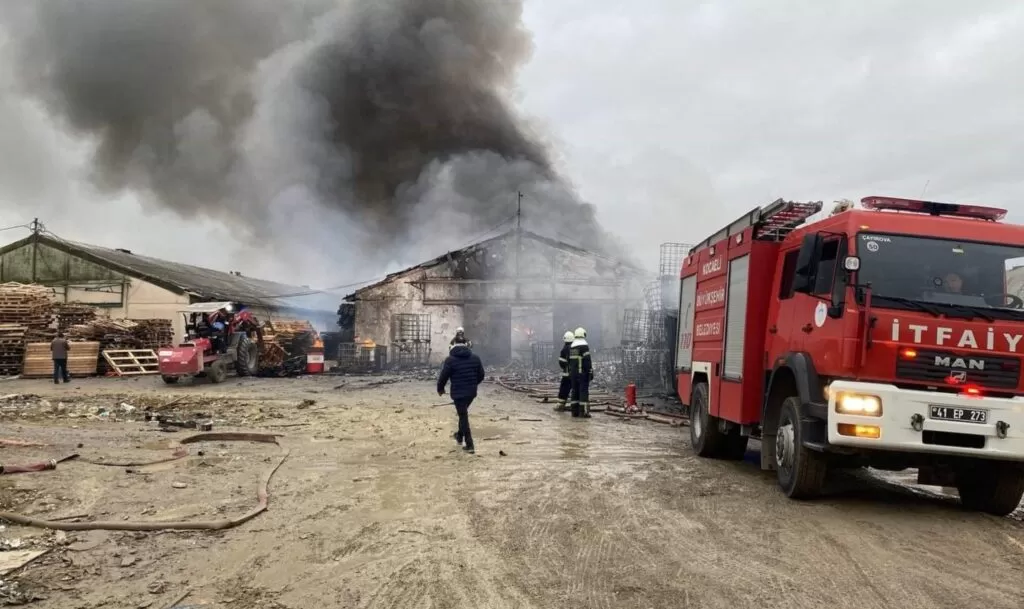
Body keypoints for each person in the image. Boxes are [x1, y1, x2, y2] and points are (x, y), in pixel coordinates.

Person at [437, 338, 485, 453]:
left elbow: (444, 376)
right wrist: (473, 384)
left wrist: (440, 389)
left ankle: (470, 445)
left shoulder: (450, 360)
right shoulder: (475, 358)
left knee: (463, 415)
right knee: (463, 413)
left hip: (458, 393)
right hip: (471, 393)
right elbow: (481, 375)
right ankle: (459, 435)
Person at [568, 327, 593, 418]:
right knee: (583, 392)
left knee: (575, 391)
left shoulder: (572, 347)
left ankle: (574, 411)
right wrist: (590, 371)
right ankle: (583, 412)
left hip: (573, 374)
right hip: (582, 374)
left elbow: (570, 361)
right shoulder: (584, 347)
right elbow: (587, 361)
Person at [554, 330, 574, 412]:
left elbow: (561, 362)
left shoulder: (564, 349)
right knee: (575, 389)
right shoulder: (575, 348)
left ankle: (561, 405)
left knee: (564, 389)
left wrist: (565, 367)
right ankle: (576, 406)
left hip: (566, 374)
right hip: (575, 374)